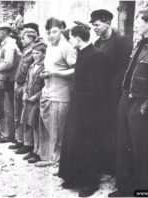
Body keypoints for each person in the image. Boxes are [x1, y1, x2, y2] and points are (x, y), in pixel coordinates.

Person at [110, 8, 148, 197]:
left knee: (142, 148)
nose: (136, 24)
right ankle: (124, 188)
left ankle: (142, 190)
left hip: (143, 103)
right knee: (124, 145)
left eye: (139, 21)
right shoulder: (139, 44)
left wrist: (146, 107)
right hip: (127, 98)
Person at [58, 25, 111, 197]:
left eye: (71, 38)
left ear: (78, 38)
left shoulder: (97, 55)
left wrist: (94, 109)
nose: (70, 41)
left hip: (90, 109)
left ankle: (90, 182)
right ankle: (73, 177)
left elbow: (102, 86)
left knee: (87, 144)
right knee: (73, 141)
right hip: (78, 105)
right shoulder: (82, 53)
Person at [90, 9, 133, 174]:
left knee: (114, 129)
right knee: (101, 128)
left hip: (114, 93)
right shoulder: (97, 43)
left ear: (107, 23)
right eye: (93, 26)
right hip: (99, 94)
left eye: (97, 25)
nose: (94, 28)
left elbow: (125, 67)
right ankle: (103, 163)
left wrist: (113, 84)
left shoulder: (121, 41)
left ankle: (113, 166)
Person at [36, 18, 77, 167]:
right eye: (48, 32)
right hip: (47, 93)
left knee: (59, 131)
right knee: (49, 129)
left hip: (61, 96)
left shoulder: (67, 47)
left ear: (61, 31)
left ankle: (59, 163)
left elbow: (77, 69)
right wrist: (45, 74)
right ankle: (51, 159)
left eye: (54, 32)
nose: (51, 35)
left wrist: (55, 73)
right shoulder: (49, 48)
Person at [0, 23, 20, 143]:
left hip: (6, 80)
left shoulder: (9, 46)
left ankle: (7, 134)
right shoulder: (6, 45)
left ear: (5, 32)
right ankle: (4, 132)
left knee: (6, 108)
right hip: (3, 79)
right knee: (2, 107)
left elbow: (8, 63)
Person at [9, 29, 35, 153]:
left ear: (30, 39)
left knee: (25, 116)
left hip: (26, 86)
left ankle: (27, 143)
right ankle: (19, 140)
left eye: (23, 38)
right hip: (18, 84)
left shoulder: (35, 52)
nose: (21, 40)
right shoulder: (24, 52)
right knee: (17, 114)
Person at [20, 42, 46, 163]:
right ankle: (31, 148)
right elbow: (26, 81)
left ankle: (38, 151)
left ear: (43, 54)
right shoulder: (32, 65)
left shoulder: (45, 67)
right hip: (28, 100)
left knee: (36, 126)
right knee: (28, 123)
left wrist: (36, 96)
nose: (35, 55)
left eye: (38, 53)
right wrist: (25, 92)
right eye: (34, 53)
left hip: (36, 101)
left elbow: (45, 86)